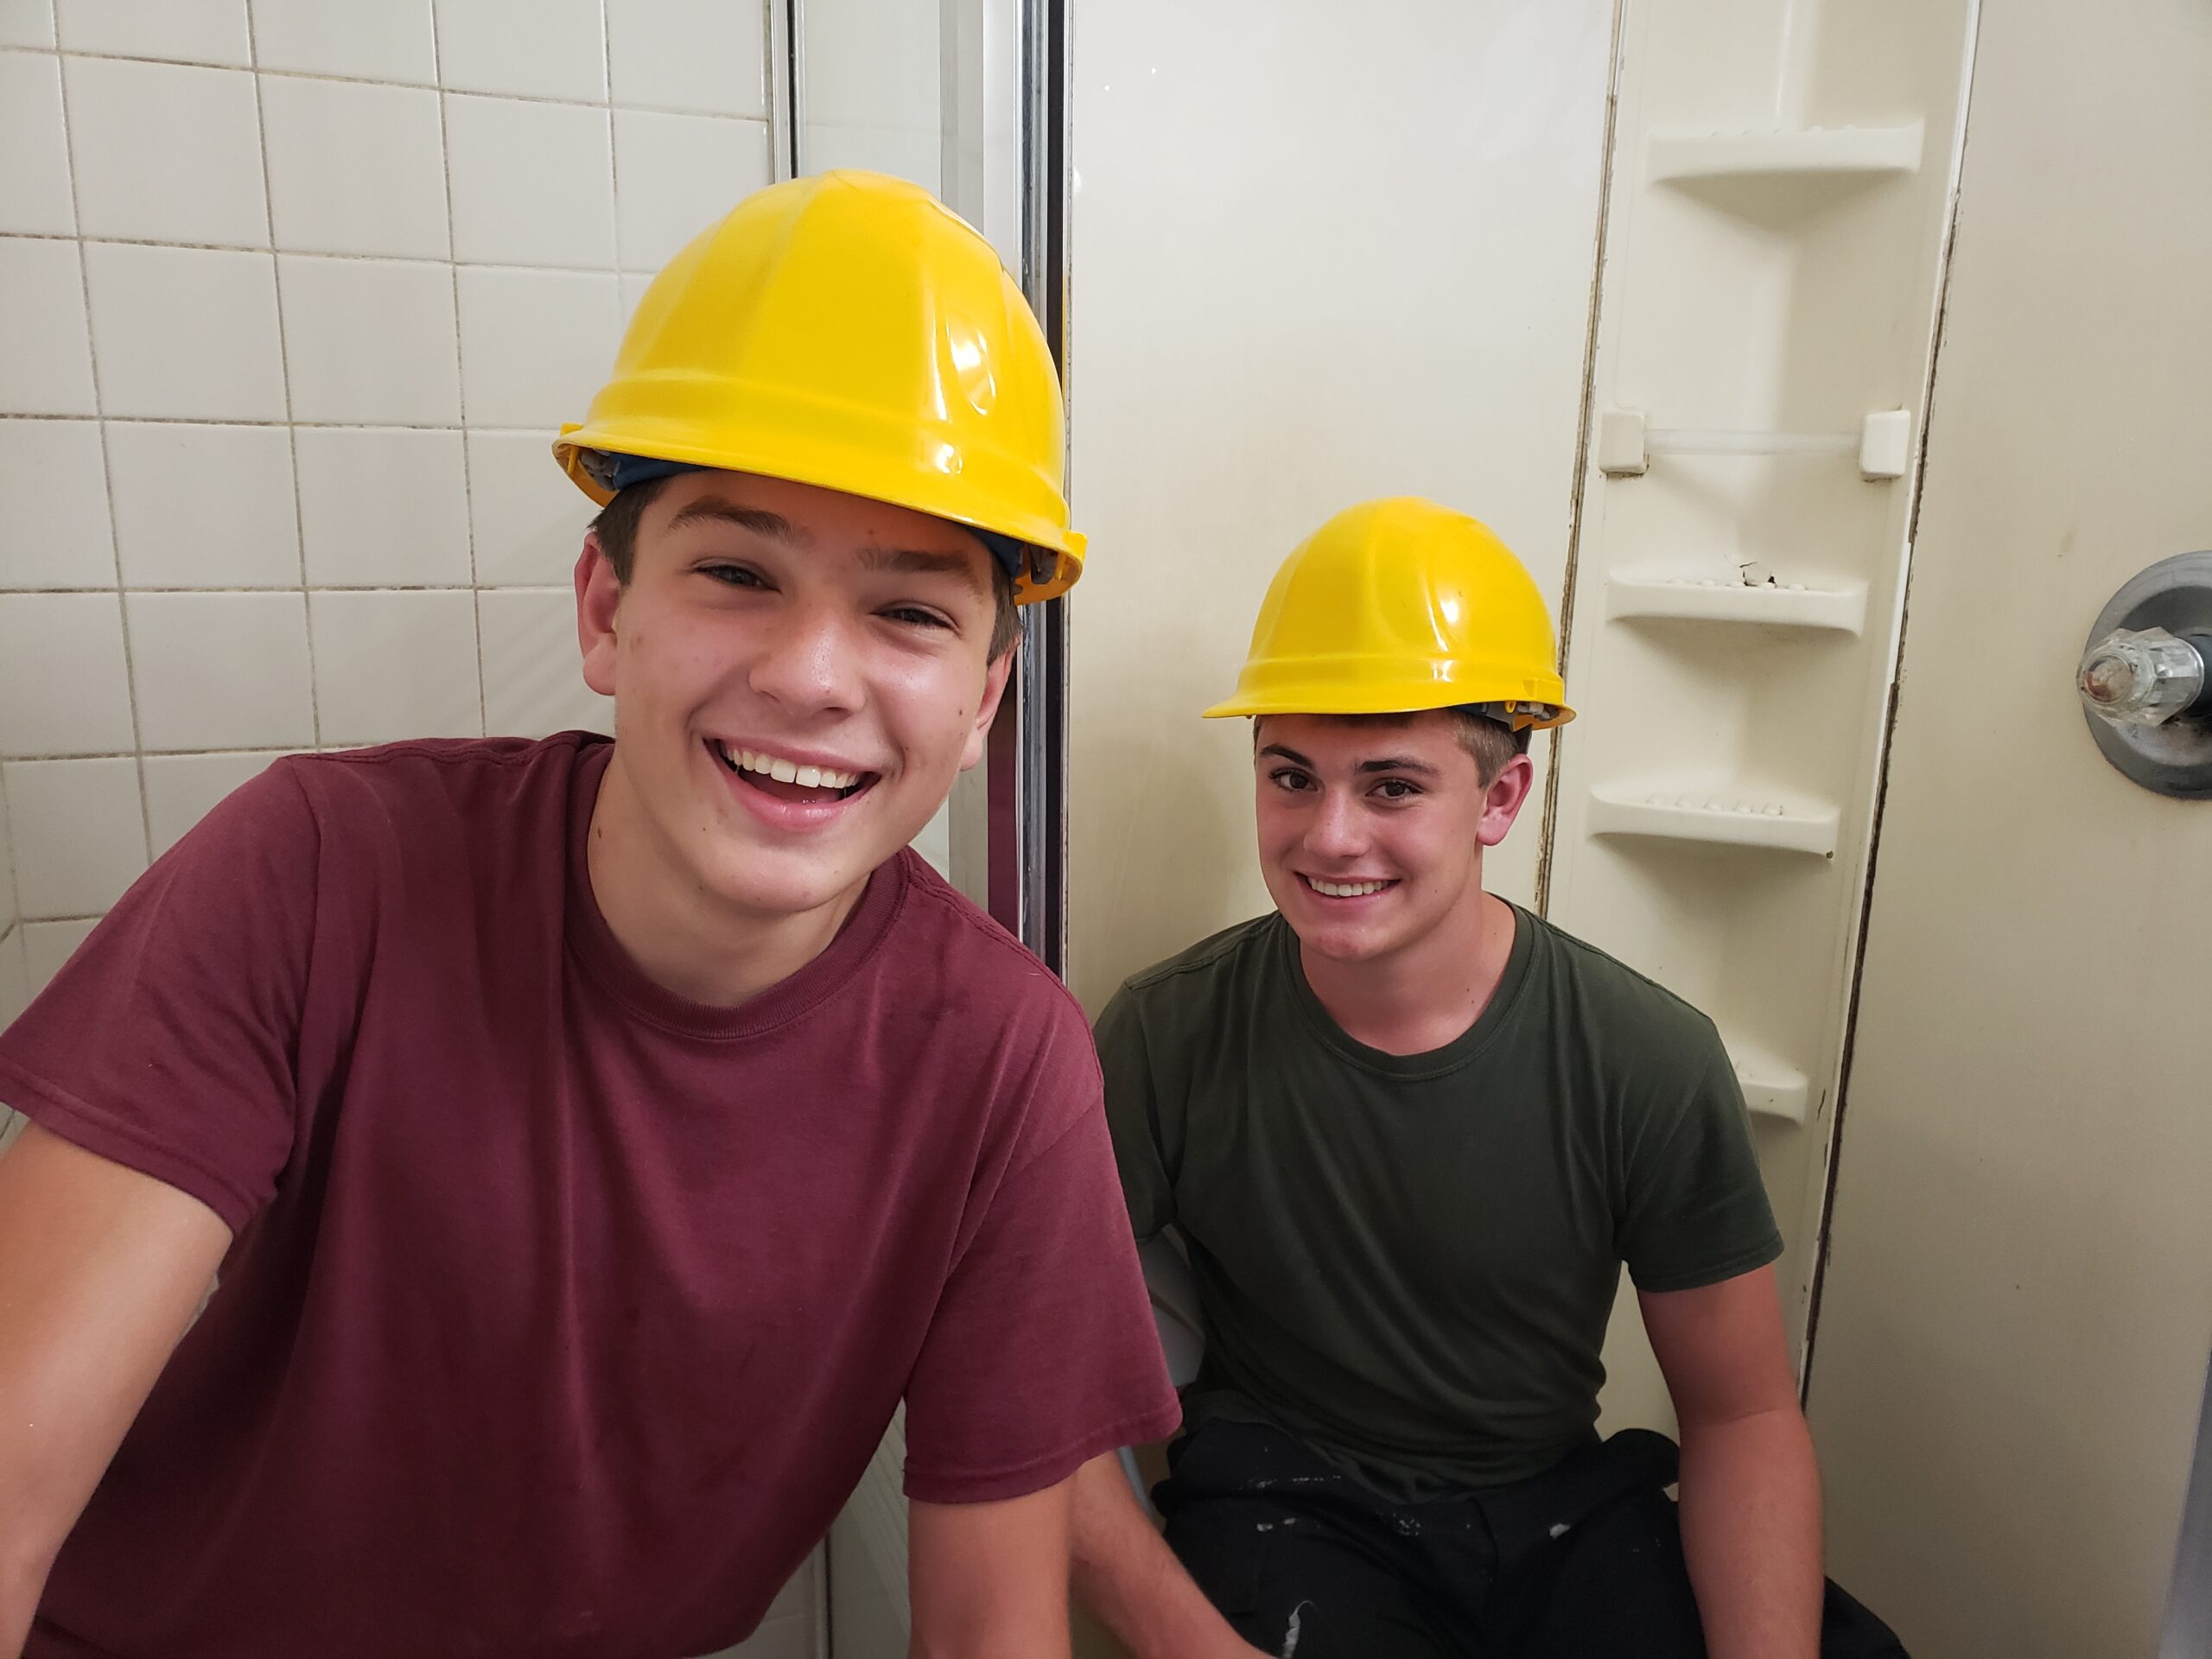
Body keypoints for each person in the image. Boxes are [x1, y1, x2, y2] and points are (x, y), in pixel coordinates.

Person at [0, 171, 1178, 1659]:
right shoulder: (314, 877)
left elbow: (989, 1642)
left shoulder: (1002, 1067)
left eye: (911, 612)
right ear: (606, 613)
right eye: (738, 573)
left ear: (985, 698)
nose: (815, 676)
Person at [1069, 498, 1869, 1659]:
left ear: (1500, 800)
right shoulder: (1168, 1033)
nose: (1329, 836)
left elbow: (1742, 1413)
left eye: (1391, 786)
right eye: (1291, 776)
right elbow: (1038, 1381)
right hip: (1291, 1504)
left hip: (1554, 1505)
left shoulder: (1644, 1057)